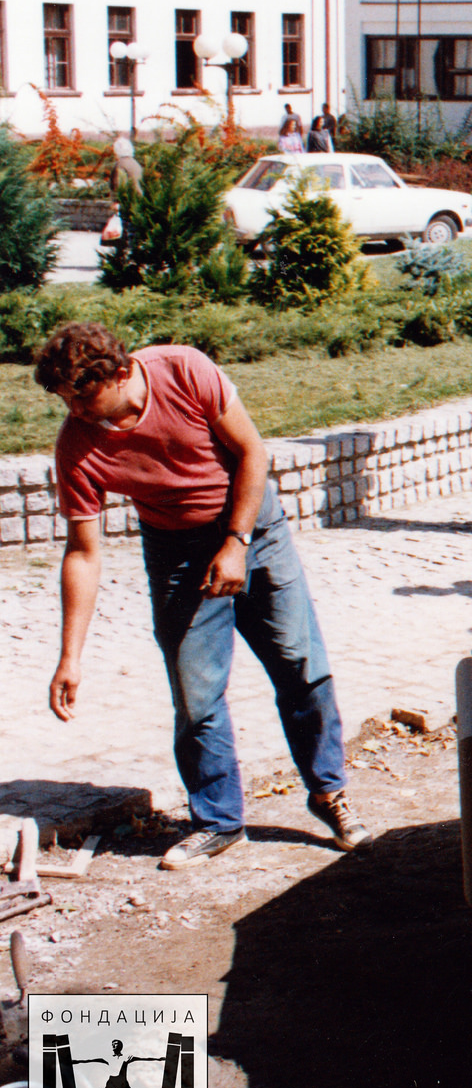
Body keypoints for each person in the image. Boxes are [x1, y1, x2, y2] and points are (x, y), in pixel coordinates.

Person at [36, 323, 370, 870]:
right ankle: (217, 821)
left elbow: (252, 454)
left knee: (300, 666)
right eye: (64, 399)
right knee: (196, 694)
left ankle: (329, 792)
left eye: (83, 395)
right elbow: (82, 552)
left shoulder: (183, 369)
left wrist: (236, 544)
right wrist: (70, 656)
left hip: (254, 529)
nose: (74, 410)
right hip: (174, 550)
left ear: (121, 373)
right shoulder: (77, 441)